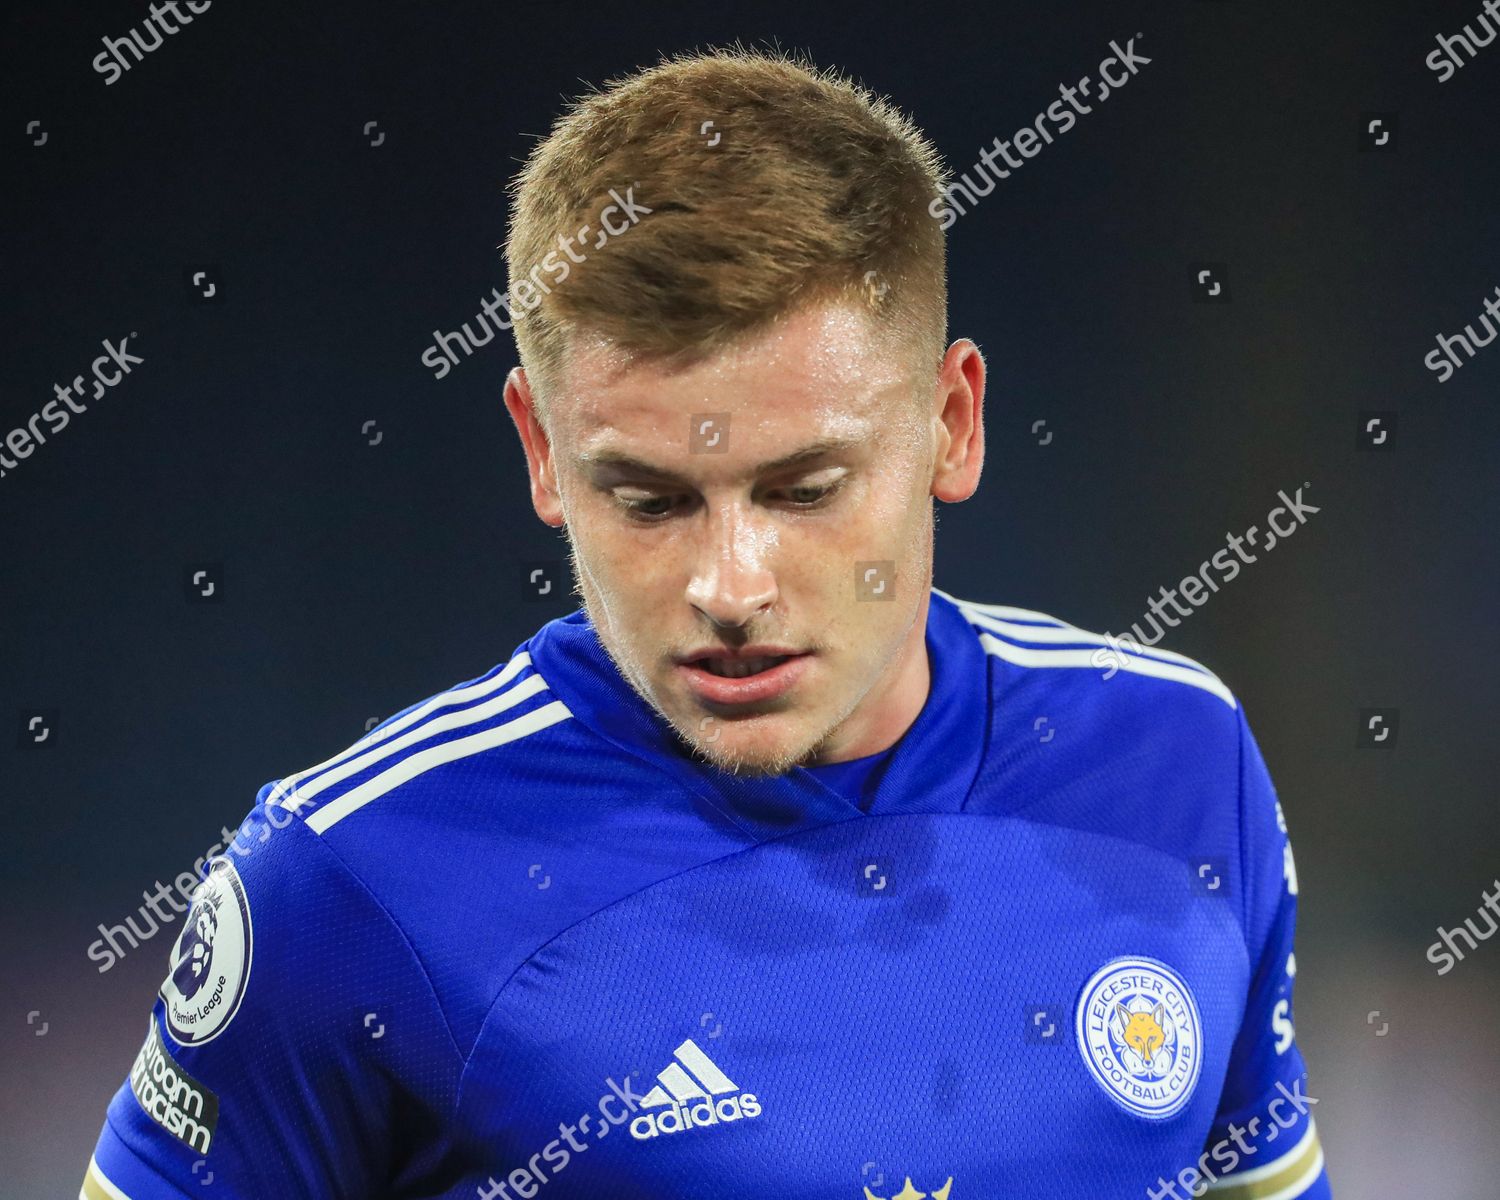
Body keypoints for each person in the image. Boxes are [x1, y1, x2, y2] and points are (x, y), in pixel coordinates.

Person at [80, 46, 1330, 1199]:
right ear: (540, 451)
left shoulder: (1178, 760)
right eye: (651, 498)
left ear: (952, 423)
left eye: (804, 489)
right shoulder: (348, 878)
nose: (730, 588)